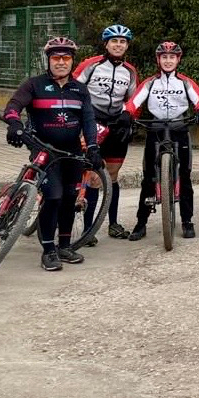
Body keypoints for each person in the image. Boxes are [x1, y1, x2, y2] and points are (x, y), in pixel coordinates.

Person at [3, 36, 101, 271]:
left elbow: (88, 121)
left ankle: (65, 246)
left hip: (72, 152)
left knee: (70, 198)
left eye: (66, 58)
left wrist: (94, 147)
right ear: (48, 60)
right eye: (56, 57)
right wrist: (14, 124)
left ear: (72, 61)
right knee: (54, 196)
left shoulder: (80, 89)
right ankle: (48, 250)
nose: (61, 62)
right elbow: (13, 106)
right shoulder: (34, 84)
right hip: (43, 149)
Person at [125, 42, 199, 240]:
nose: (168, 60)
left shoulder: (185, 82)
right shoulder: (150, 83)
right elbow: (133, 102)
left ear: (178, 60)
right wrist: (127, 114)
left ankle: (187, 221)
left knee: (185, 176)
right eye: (164, 57)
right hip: (156, 129)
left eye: (172, 57)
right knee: (148, 178)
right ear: (158, 60)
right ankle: (141, 223)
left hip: (179, 128)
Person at [72, 24, 139, 242]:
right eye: (114, 41)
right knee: (92, 175)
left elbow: (133, 99)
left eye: (123, 42)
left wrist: (128, 117)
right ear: (106, 44)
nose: (118, 45)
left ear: (127, 45)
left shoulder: (129, 71)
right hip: (93, 120)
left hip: (116, 123)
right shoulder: (91, 65)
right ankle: (88, 229)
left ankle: (113, 223)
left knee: (112, 175)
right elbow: (73, 88)